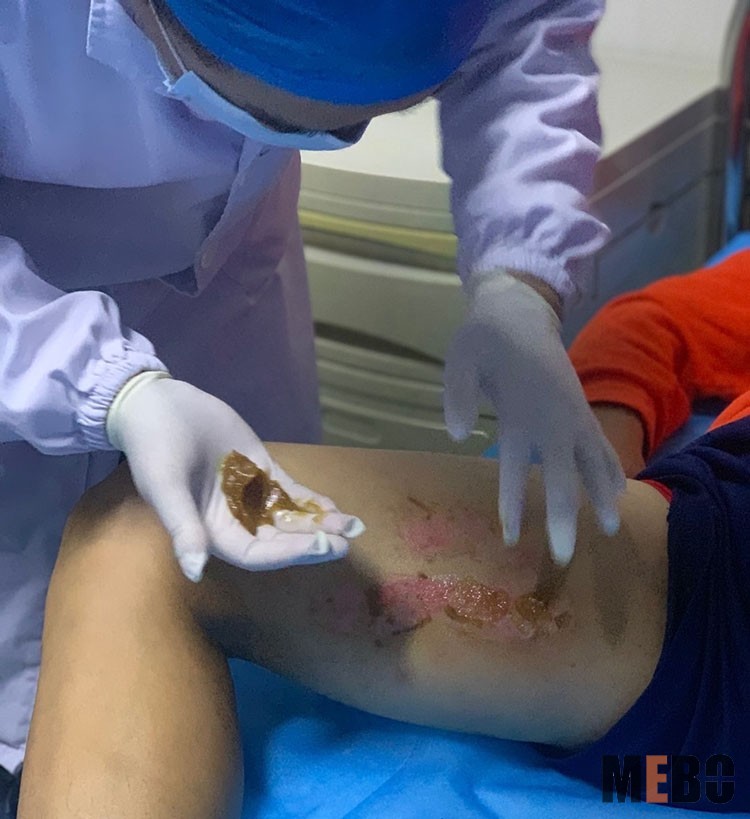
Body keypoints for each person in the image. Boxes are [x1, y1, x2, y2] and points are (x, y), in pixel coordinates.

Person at [0, 0, 624, 786]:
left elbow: (521, 30)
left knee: (254, 614)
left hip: (227, 283)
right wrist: (107, 388)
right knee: (65, 657)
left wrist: (520, 279)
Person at [14, 249, 750, 816]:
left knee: (141, 534)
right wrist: (609, 435)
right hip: (704, 590)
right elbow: (657, 323)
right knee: (149, 532)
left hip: (701, 617)